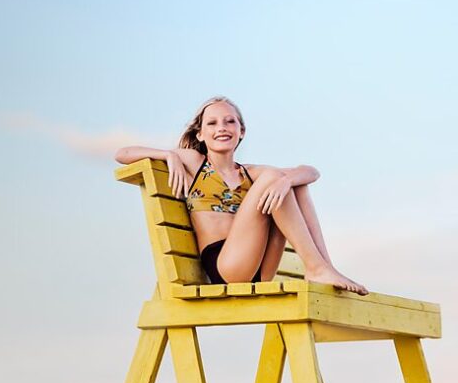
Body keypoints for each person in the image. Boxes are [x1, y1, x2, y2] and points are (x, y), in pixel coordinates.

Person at [114, 96, 368, 294]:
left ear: (241, 131)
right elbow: (122, 153)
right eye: (212, 123)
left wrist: (287, 181)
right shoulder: (194, 162)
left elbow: (311, 172)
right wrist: (168, 154)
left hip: (259, 269)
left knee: (293, 182)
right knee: (275, 178)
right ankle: (316, 268)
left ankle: (323, 267)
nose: (221, 128)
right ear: (200, 134)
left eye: (230, 121)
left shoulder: (250, 173)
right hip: (226, 268)